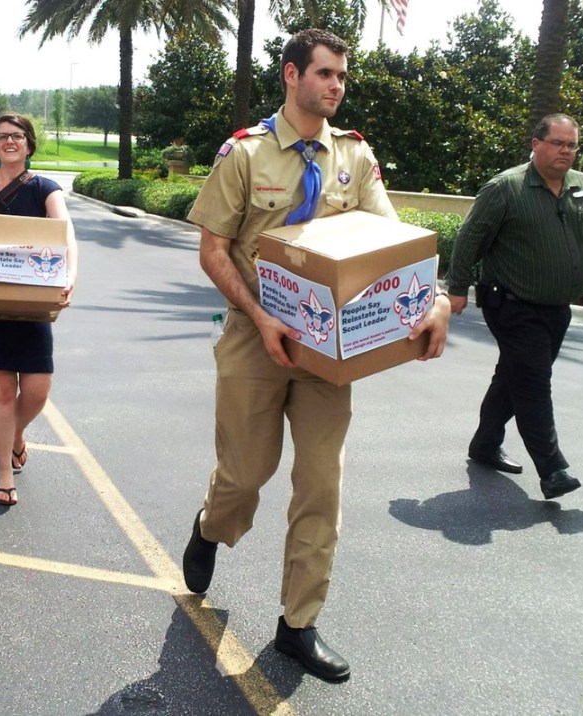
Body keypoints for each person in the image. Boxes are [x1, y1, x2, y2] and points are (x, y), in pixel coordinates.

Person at [182, 28, 450, 682]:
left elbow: (390, 244)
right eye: (325, 74)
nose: (335, 86)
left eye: (342, 77)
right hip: (256, 334)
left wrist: (433, 297)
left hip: (331, 350)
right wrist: (262, 315)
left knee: (320, 483)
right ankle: (212, 525)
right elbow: (213, 249)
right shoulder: (244, 155)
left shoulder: (354, 159)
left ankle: (298, 624)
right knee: (247, 474)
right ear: (291, 75)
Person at [446, 113, 583, 500]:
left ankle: (484, 444)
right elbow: (470, 238)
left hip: (556, 309)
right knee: (533, 383)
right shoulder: (506, 188)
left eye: (572, 145)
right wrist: (457, 287)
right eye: (558, 143)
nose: (566, 151)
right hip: (511, 304)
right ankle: (553, 470)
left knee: (513, 377)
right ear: (536, 144)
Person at [0, 113, 77, 507]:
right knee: (3, 390)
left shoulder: (45, 187)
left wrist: (70, 274)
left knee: (38, 388)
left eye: (17, 136)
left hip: (32, 303)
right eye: (2, 137)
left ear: (29, 143)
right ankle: (5, 473)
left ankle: (16, 435)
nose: (10, 141)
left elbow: (65, 232)